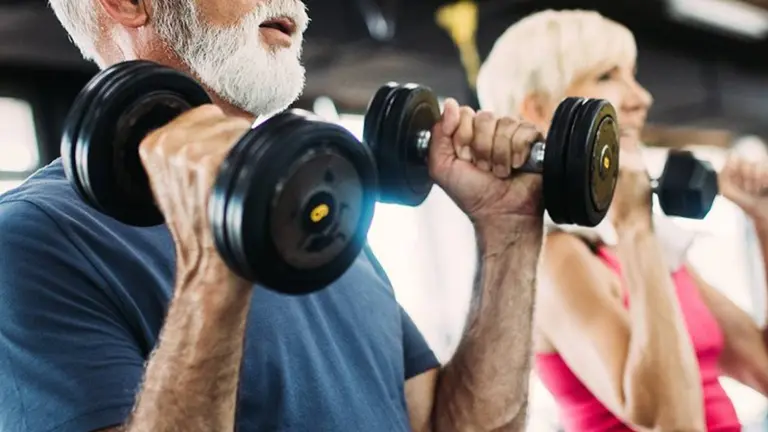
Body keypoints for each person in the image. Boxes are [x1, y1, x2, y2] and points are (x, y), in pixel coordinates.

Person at [0, 0, 548, 431]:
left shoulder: (319, 215)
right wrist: (216, 265)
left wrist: (507, 230)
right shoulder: (31, 240)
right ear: (128, 3)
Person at [477, 9, 768, 432]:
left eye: (632, 75)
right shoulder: (557, 259)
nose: (641, 98)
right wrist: (635, 225)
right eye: (607, 77)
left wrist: (763, 220)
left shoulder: (651, 253)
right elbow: (674, 422)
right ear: (541, 110)